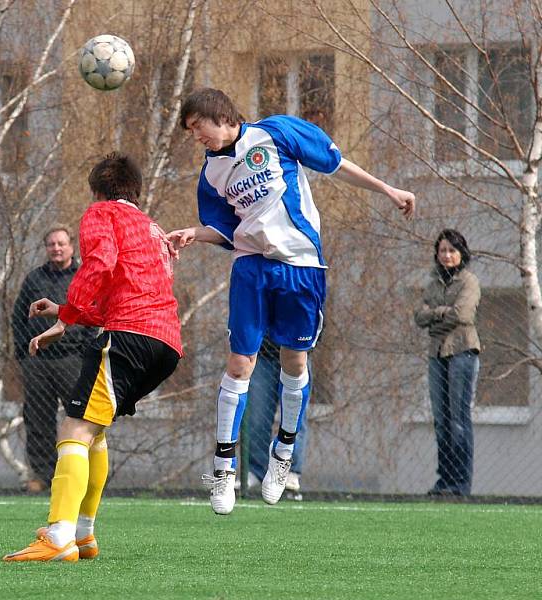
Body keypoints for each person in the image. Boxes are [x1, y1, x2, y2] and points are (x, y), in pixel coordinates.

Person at [168, 87, 415, 515]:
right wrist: (195, 233)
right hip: (251, 268)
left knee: (294, 363)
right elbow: (226, 230)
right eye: (190, 132)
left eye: (197, 127)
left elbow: (335, 164)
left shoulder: (277, 132)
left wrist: (388, 190)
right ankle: (224, 468)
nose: (196, 138)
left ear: (221, 116)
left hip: (300, 266)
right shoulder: (210, 176)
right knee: (238, 363)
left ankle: (283, 454)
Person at [3, 153, 182, 562]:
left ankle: (60, 535)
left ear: (97, 191)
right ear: (135, 190)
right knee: (94, 431)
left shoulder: (102, 213)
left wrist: (66, 319)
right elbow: (129, 293)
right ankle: (82, 535)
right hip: (165, 344)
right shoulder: (151, 228)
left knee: (73, 427)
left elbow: (99, 263)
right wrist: (70, 311)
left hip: (129, 336)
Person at [11, 226, 96, 493]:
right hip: (38, 362)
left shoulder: (83, 277)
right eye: (51, 244)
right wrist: (24, 354)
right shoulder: (34, 279)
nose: (56, 248)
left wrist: (85, 353)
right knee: (37, 419)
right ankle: (43, 476)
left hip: (73, 360)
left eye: (61, 243)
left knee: (80, 418)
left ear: (71, 246)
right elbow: (19, 317)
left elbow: (94, 314)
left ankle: (84, 474)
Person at [414, 229, 480, 496]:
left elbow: (462, 316)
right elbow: (419, 316)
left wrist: (436, 314)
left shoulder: (469, 281)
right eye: (443, 250)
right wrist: (443, 314)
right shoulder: (433, 282)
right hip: (437, 353)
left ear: (461, 253)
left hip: (462, 352)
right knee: (441, 420)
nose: (447, 255)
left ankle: (460, 484)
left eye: (452, 250)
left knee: (459, 420)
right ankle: (445, 481)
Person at [245, 337, 309, 498]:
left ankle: (290, 472)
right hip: (263, 353)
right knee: (257, 419)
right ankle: (256, 471)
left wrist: (309, 341)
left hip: (297, 351)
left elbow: (315, 314)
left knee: (295, 418)